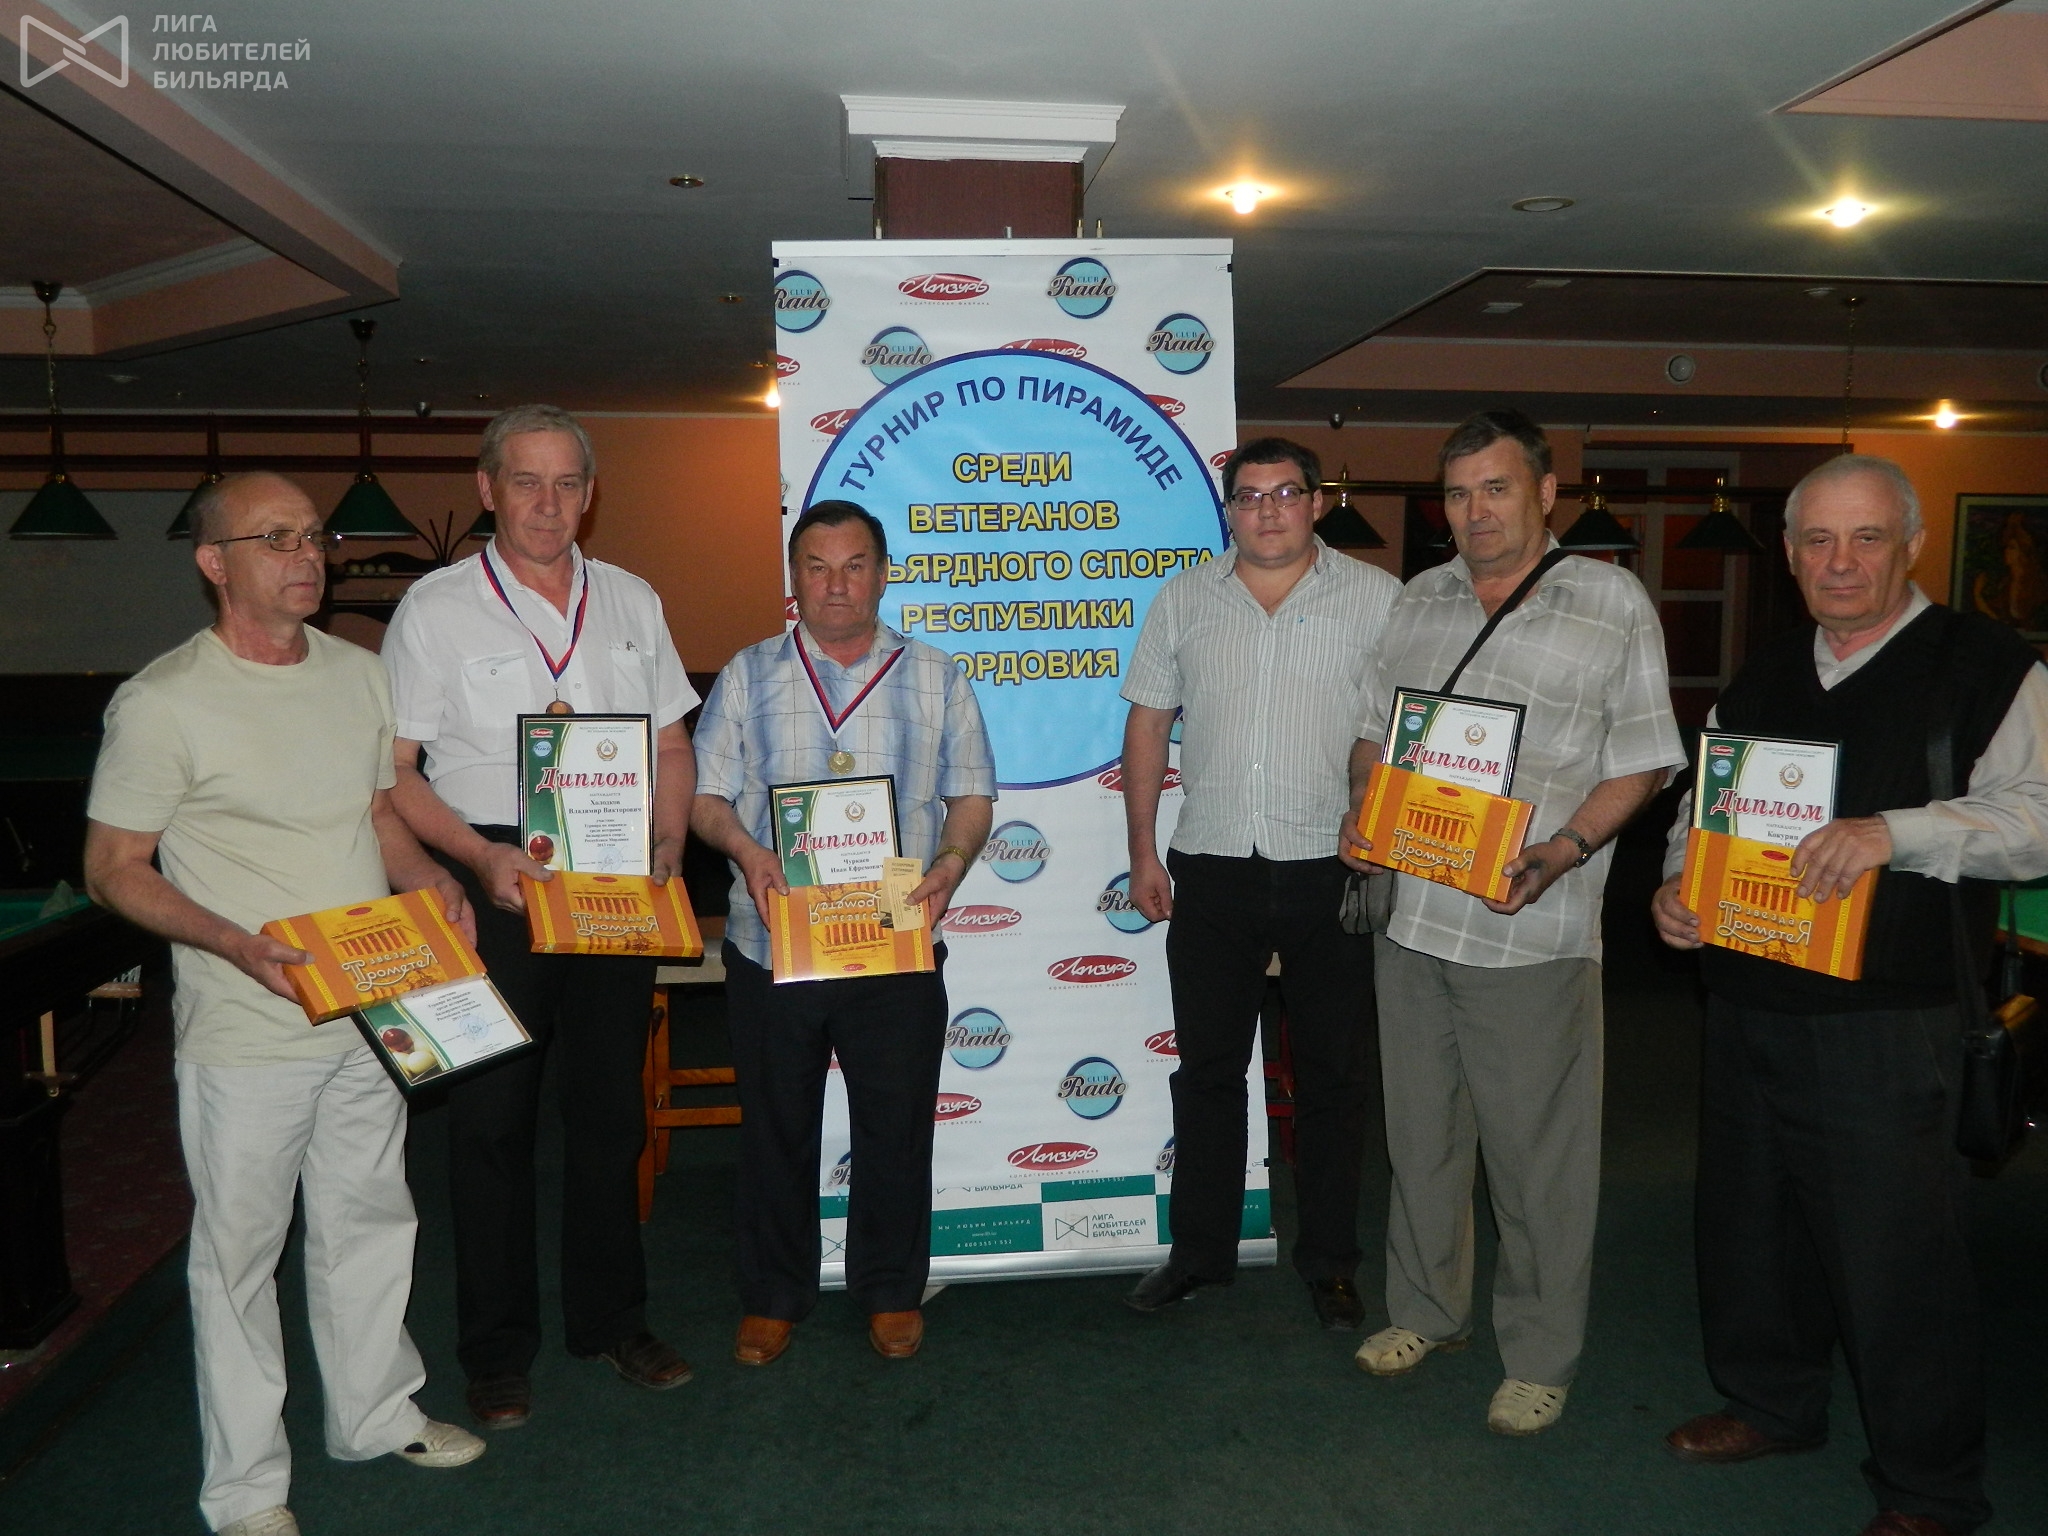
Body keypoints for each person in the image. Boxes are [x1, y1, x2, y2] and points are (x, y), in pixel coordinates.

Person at [1652, 455, 2048, 1536]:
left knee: (1896, 1259)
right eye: (1817, 541)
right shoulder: (1763, 672)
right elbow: (1702, 811)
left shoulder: (1987, 666)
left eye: (1865, 538)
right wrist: (1676, 889)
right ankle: (1770, 1404)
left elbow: (2035, 822)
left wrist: (1893, 834)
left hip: (1889, 1016)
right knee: (1749, 1224)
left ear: (1909, 545)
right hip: (1747, 995)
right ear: (1787, 555)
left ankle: (1928, 1487)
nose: (1840, 562)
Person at [84, 473, 485, 1536]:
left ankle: (373, 1413)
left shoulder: (357, 672)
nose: (307, 557)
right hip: (246, 1028)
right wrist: (231, 941)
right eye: (276, 539)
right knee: (238, 1259)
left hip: (372, 1003)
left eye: (313, 537)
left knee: (371, 1216)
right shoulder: (163, 701)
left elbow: (376, 814)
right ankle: (248, 1489)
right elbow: (113, 867)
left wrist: (428, 880)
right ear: (214, 563)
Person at [1339, 409, 1684, 1435]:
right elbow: (1372, 733)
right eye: (1456, 494)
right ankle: (1426, 1310)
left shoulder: (1610, 602)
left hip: (1529, 929)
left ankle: (1539, 1353)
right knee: (1420, 1139)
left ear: (1545, 492)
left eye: (1495, 489)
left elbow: (1644, 759)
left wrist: (1563, 849)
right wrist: (1363, 807)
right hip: (1412, 918)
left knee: (1537, 1160)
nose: (1474, 512)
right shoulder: (1418, 599)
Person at [382, 405, 699, 1430]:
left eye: (567, 484)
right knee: (489, 1125)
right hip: (495, 881)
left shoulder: (632, 599)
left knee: (610, 1116)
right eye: (526, 481)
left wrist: (667, 846)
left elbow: (671, 747)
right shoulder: (435, 609)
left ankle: (611, 1320)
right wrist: (477, 857)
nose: (547, 504)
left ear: (590, 495)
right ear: (487, 490)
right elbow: (393, 772)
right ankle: (495, 1350)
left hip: (613, 879)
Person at [690, 500, 994, 1367]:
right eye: (816, 567)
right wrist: (748, 851)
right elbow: (705, 799)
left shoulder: (935, 675)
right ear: (794, 578)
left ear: (883, 574)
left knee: (895, 1127)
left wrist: (950, 865)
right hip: (772, 943)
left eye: (854, 565)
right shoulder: (747, 675)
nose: (835, 584)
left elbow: (972, 794)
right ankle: (773, 1296)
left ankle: (891, 1290)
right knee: (775, 1128)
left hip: (895, 941)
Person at [1117, 436, 1400, 1328]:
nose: (1267, 510)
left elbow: (1399, 729)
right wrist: (1142, 852)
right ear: (1228, 509)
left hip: (1332, 867)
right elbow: (1148, 726)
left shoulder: (1378, 599)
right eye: (1249, 496)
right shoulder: (1184, 598)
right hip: (1212, 865)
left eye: (1284, 493)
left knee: (1332, 1078)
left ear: (1315, 502)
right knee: (1207, 1072)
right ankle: (1200, 1254)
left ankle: (1332, 1263)